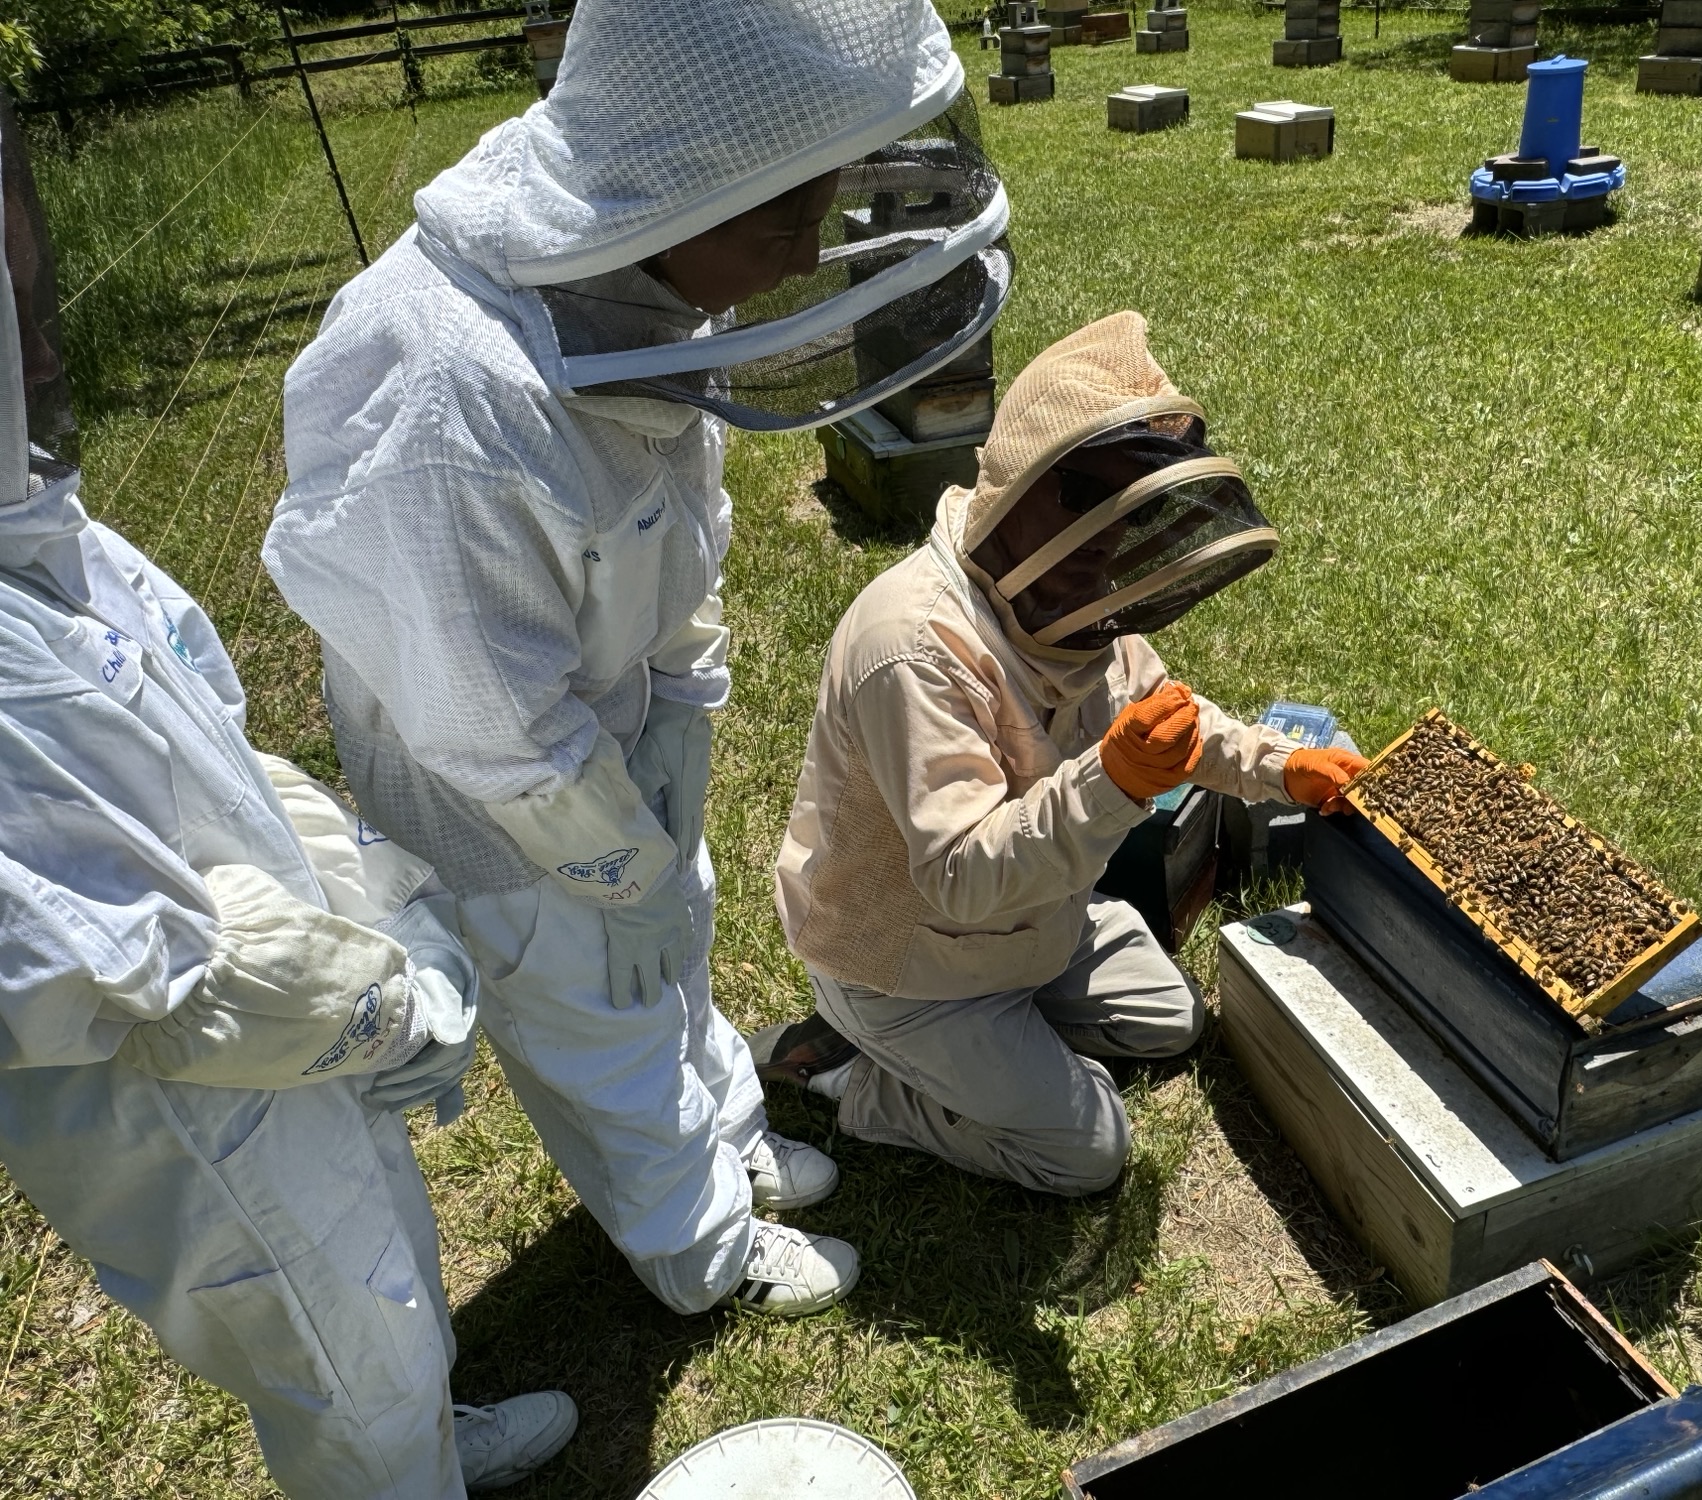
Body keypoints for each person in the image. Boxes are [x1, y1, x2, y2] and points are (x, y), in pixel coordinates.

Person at [263, 0, 1012, 1317]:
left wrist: (680, 715)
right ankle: (697, 1252)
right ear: (678, 187)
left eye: (821, 204)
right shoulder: (456, 401)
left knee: (675, 943)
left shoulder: (636, 284)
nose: (802, 254)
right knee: (590, 1012)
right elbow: (488, 717)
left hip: (595, 719)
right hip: (493, 793)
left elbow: (673, 528)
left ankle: (726, 1132)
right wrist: (607, 861)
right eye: (785, 216)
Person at [0, 98, 575, 1497]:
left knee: (390, 1268)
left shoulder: (54, 540)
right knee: (332, 1346)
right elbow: (149, 975)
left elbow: (220, 739)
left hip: (296, 1045)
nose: (35, 312)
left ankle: (432, 1434)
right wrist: (390, 1001)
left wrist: (379, 904)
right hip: (196, 1123)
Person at [758, 311, 1369, 1196]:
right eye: (1090, 508)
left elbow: (1165, 716)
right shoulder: (911, 645)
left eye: (1130, 516)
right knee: (1086, 1154)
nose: (1108, 550)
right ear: (1022, 493)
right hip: (908, 963)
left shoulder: (1071, 594)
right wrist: (1111, 782)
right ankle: (853, 1074)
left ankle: (1013, 1035)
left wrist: (1279, 766)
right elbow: (960, 875)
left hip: (1031, 928)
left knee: (1172, 1023)